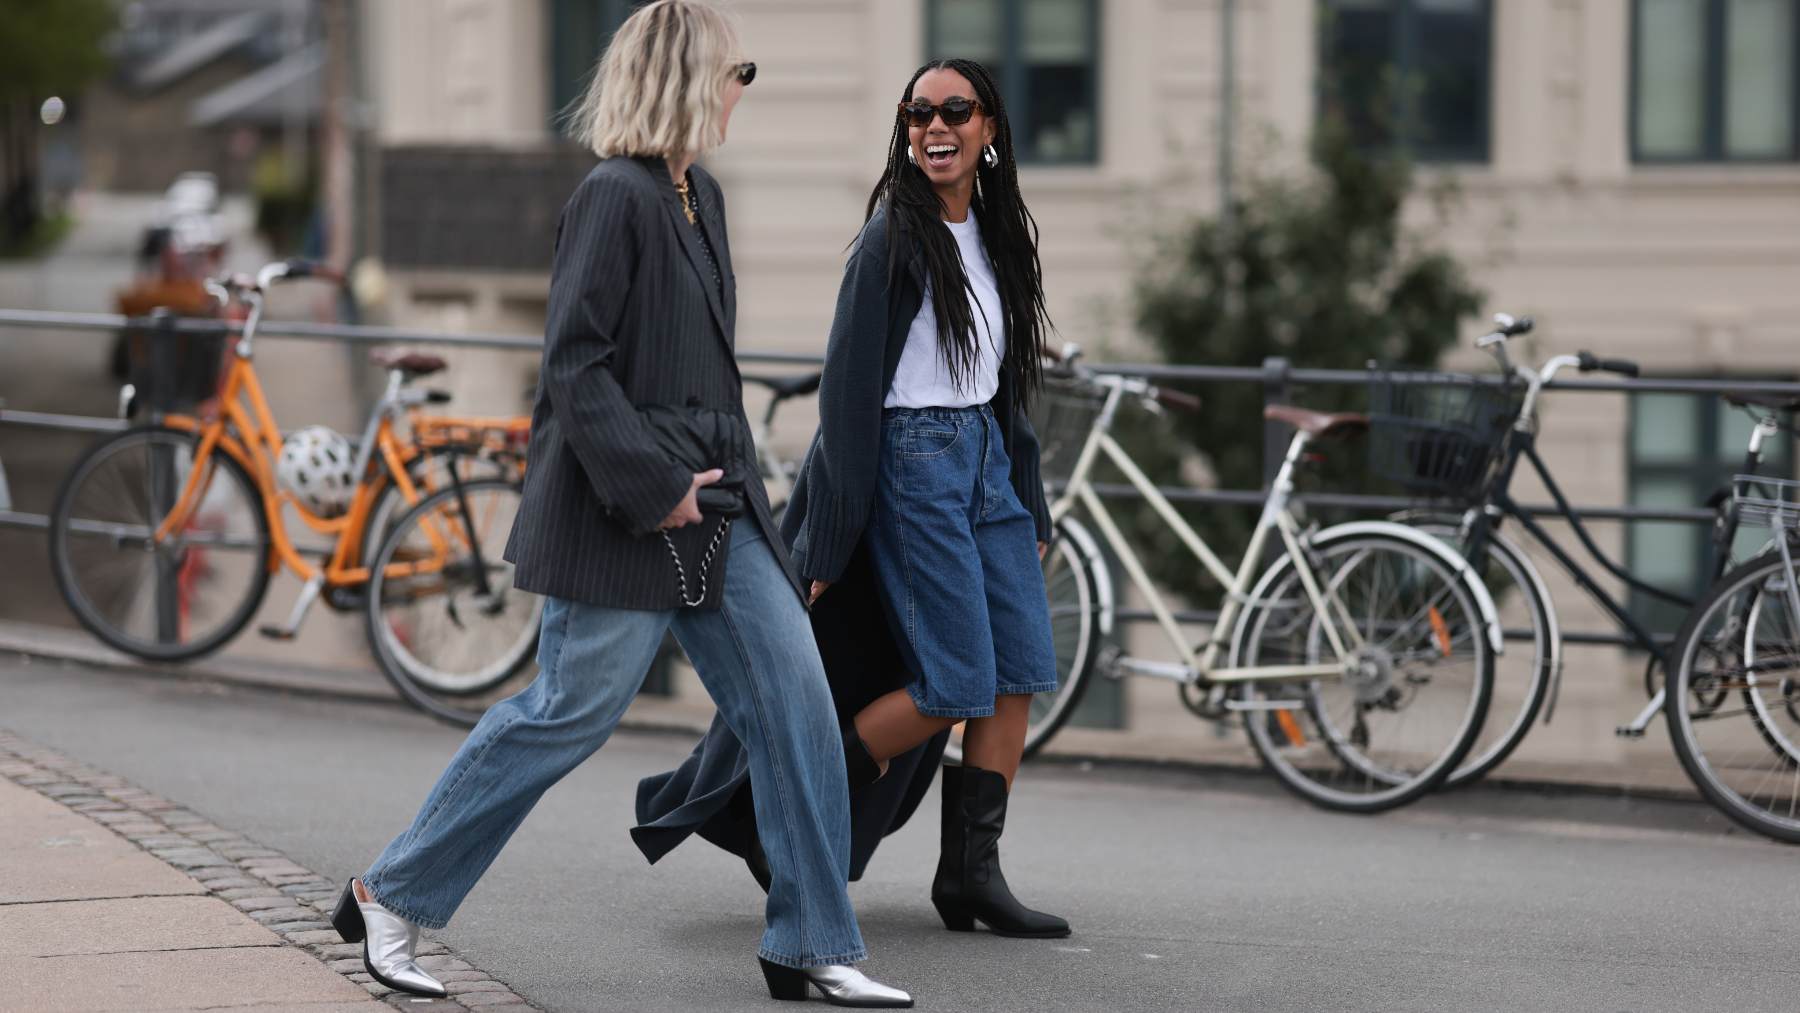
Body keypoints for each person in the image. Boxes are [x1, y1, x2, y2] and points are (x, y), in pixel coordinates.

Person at [328, 3, 911, 1006]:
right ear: (684, 79)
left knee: (798, 706)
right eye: (736, 73)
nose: (742, 91)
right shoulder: (614, 195)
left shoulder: (701, 198)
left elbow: (704, 373)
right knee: (567, 712)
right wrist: (655, 488)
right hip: (628, 511)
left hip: (723, 505)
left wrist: (742, 492)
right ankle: (391, 892)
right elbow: (574, 366)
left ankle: (813, 937)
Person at [637, 57, 1069, 940]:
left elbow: (1004, 384)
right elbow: (847, 398)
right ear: (906, 130)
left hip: (985, 465)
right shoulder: (892, 240)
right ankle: (794, 816)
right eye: (918, 114)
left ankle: (970, 876)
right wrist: (825, 547)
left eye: (955, 111)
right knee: (954, 682)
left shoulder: (997, 234)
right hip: (912, 464)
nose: (934, 127)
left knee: (1021, 671)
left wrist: (1028, 497)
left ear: (989, 128)